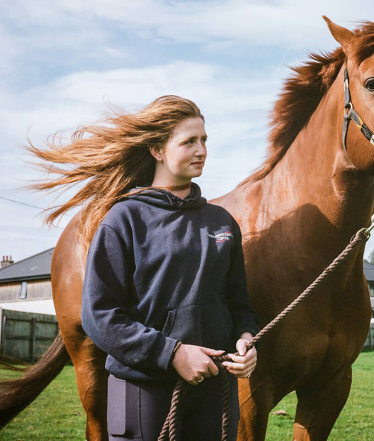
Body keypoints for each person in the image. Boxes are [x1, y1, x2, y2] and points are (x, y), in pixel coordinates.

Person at [33, 95, 259, 440]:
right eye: (189, 141)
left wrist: (246, 341)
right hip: (144, 395)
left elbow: (240, 304)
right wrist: (173, 354)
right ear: (157, 149)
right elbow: (99, 316)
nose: (201, 150)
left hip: (213, 394)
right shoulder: (124, 220)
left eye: (204, 140)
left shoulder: (222, 222)